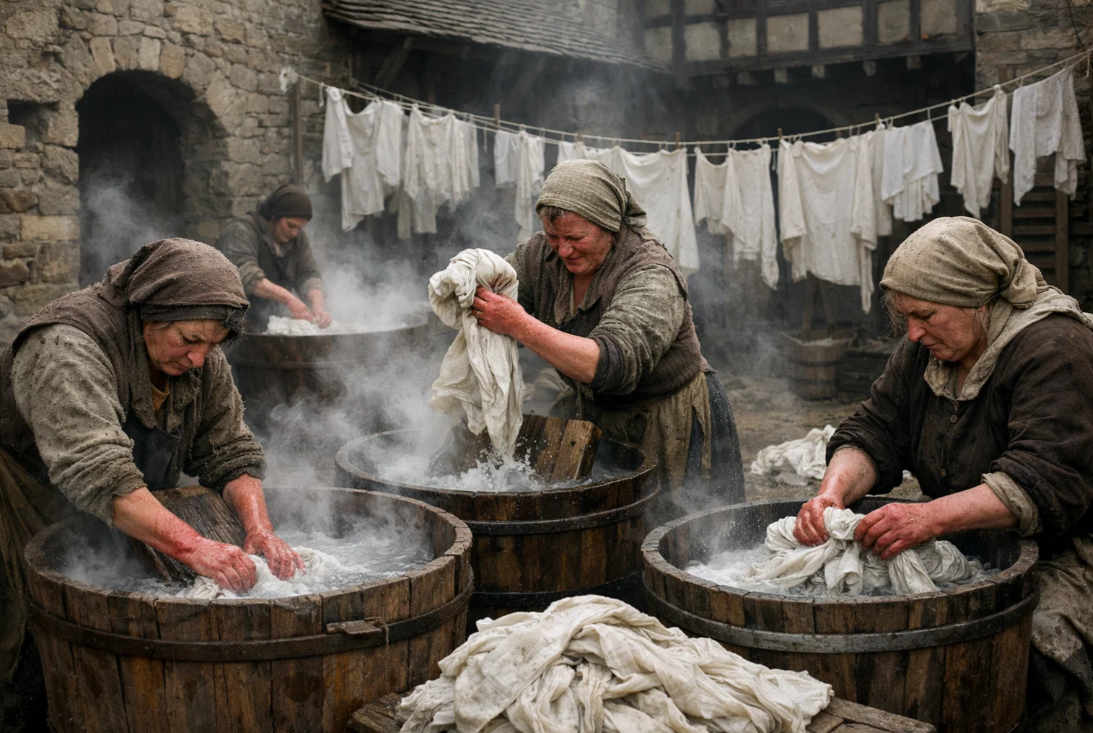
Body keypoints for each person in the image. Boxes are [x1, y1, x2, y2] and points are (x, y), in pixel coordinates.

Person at [792, 217, 1093, 731]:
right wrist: (831, 494)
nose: (912, 332)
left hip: (1066, 550)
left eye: (925, 315)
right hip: (969, 542)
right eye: (904, 317)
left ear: (977, 300)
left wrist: (926, 518)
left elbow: (1044, 479)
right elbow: (875, 431)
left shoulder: (1054, 349)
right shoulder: (925, 353)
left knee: (1034, 644)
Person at [0, 239, 305, 727]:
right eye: (189, 341)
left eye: (212, 345)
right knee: (29, 630)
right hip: (29, 493)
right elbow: (98, 470)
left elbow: (230, 449)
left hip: (130, 497)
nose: (199, 359)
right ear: (150, 313)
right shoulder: (65, 344)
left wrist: (259, 527)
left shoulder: (197, 348)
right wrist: (195, 547)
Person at [472, 159, 746, 514]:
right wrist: (466, 279)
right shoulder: (542, 256)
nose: (563, 249)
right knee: (609, 532)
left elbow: (611, 364)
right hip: (597, 413)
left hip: (667, 419)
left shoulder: (650, 272)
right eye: (554, 236)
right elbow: (497, 290)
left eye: (575, 238)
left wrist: (518, 324)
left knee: (678, 533)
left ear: (610, 226)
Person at [215, 183, 331, 330]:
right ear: (274, 216)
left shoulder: (298, 239)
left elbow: (308, 273)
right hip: (232, 324)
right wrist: (289, 299)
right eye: (290, 225)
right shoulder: (241, 230)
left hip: (268, 323)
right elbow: (245, 274)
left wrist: (318, 306)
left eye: (300, 228)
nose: (295, 233)